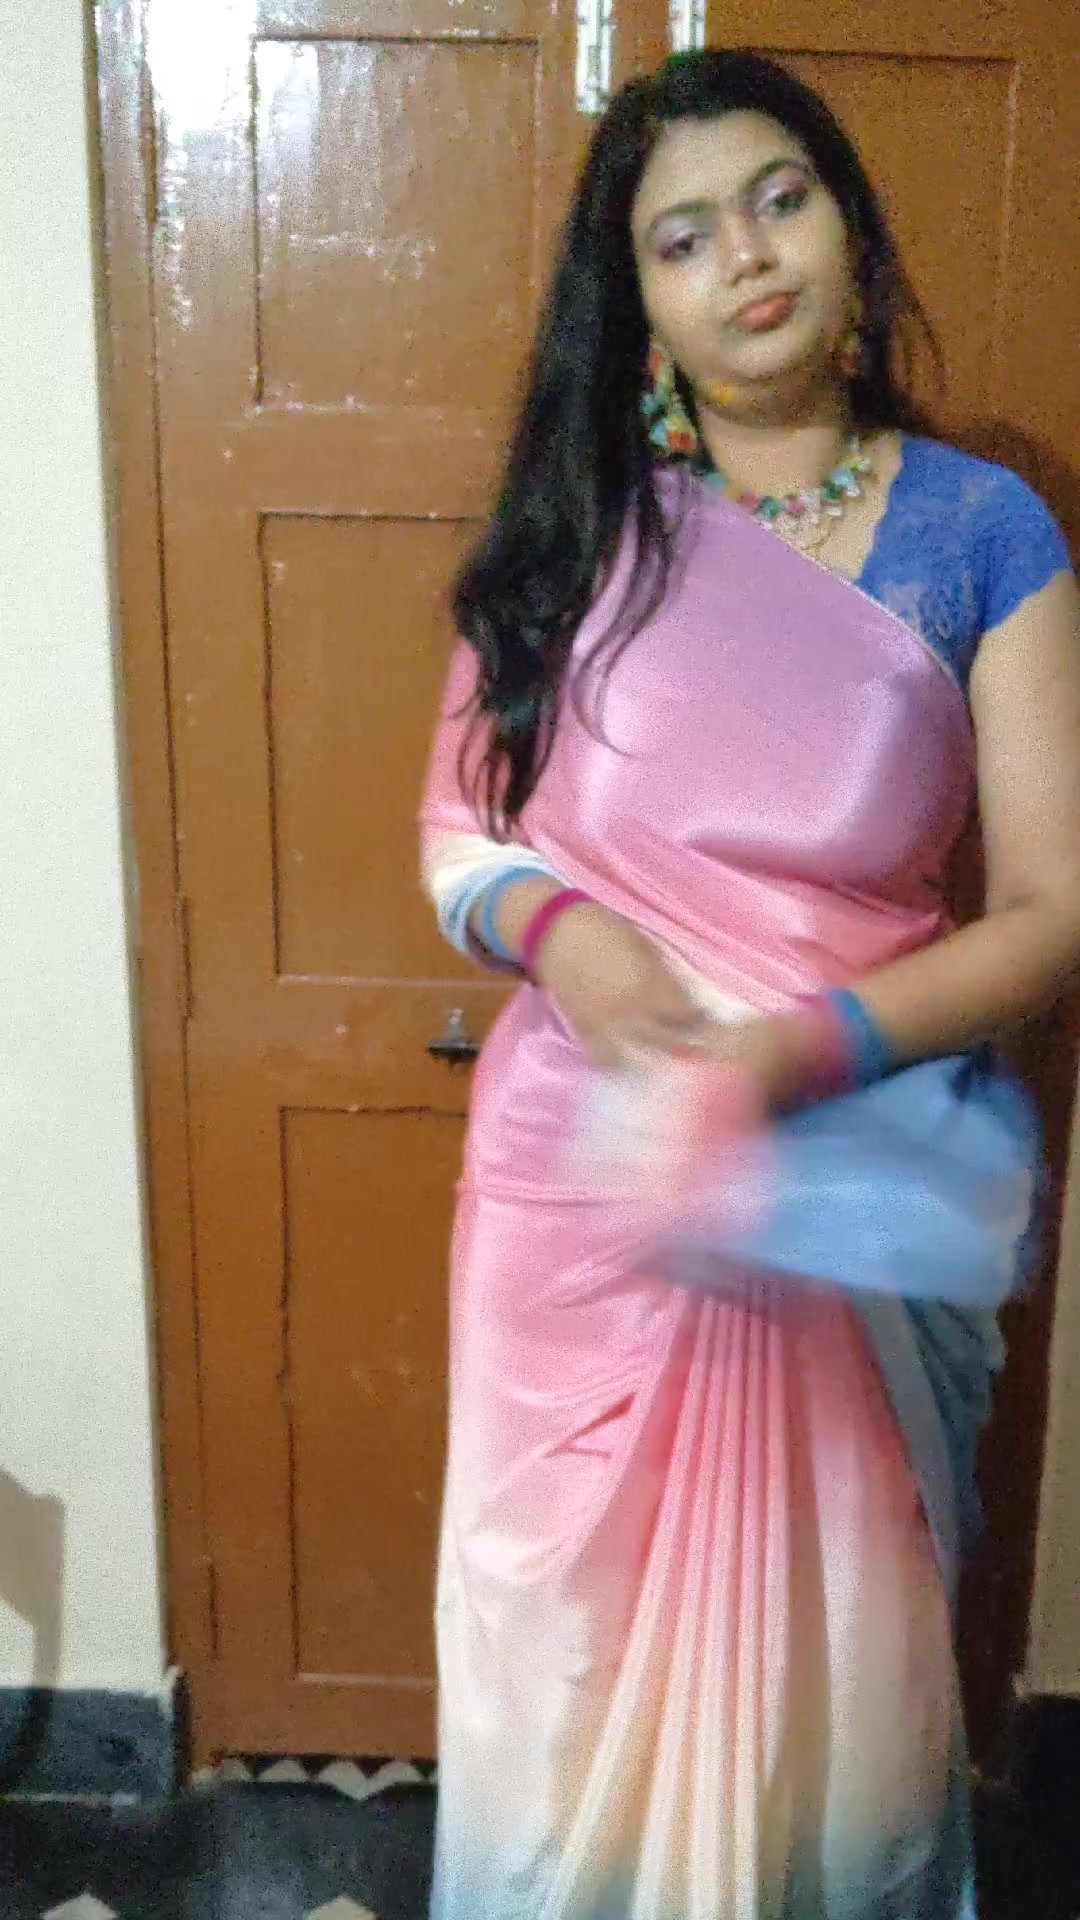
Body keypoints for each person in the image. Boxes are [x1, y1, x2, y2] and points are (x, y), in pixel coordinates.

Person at [418, 49, 1080, 1920]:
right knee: (567, 1677)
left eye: (783, 201)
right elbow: (460, 836)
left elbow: (1051, 912)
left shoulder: (985, 534)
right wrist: (566, 933)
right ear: (637, 306)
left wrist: (801, 1050)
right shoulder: (577, 534)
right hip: (588, 1192)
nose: (749, 257)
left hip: (836, 1184)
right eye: (685, 237)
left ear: (852, 231)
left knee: (832, 1710)